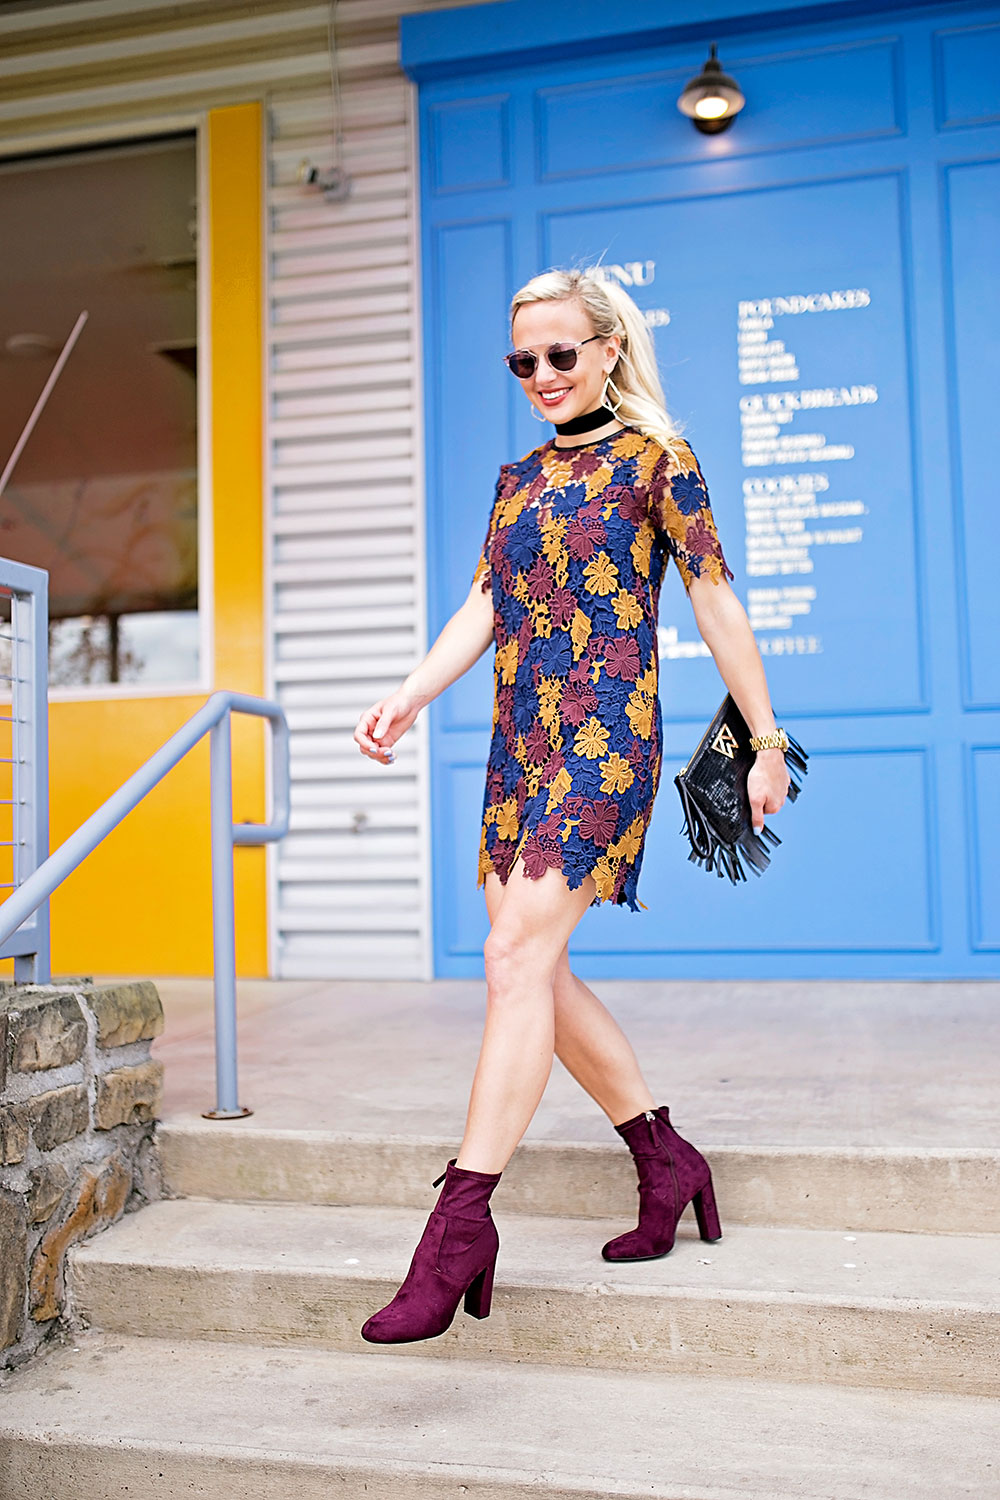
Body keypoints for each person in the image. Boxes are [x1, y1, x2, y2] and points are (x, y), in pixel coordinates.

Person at [352, 266, 790, 1345]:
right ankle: (665, 1159)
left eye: (559, 353)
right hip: (521, 746)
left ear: (608, 350)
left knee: (511, 964)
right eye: (523, 361)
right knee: (530, 964)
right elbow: (485, 606)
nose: (542, 375)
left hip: (607, 741)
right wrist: (409, 695)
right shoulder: (515, 481)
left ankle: (456, 1231)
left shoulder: (658, 462)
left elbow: (714, 596)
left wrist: (765, 738)